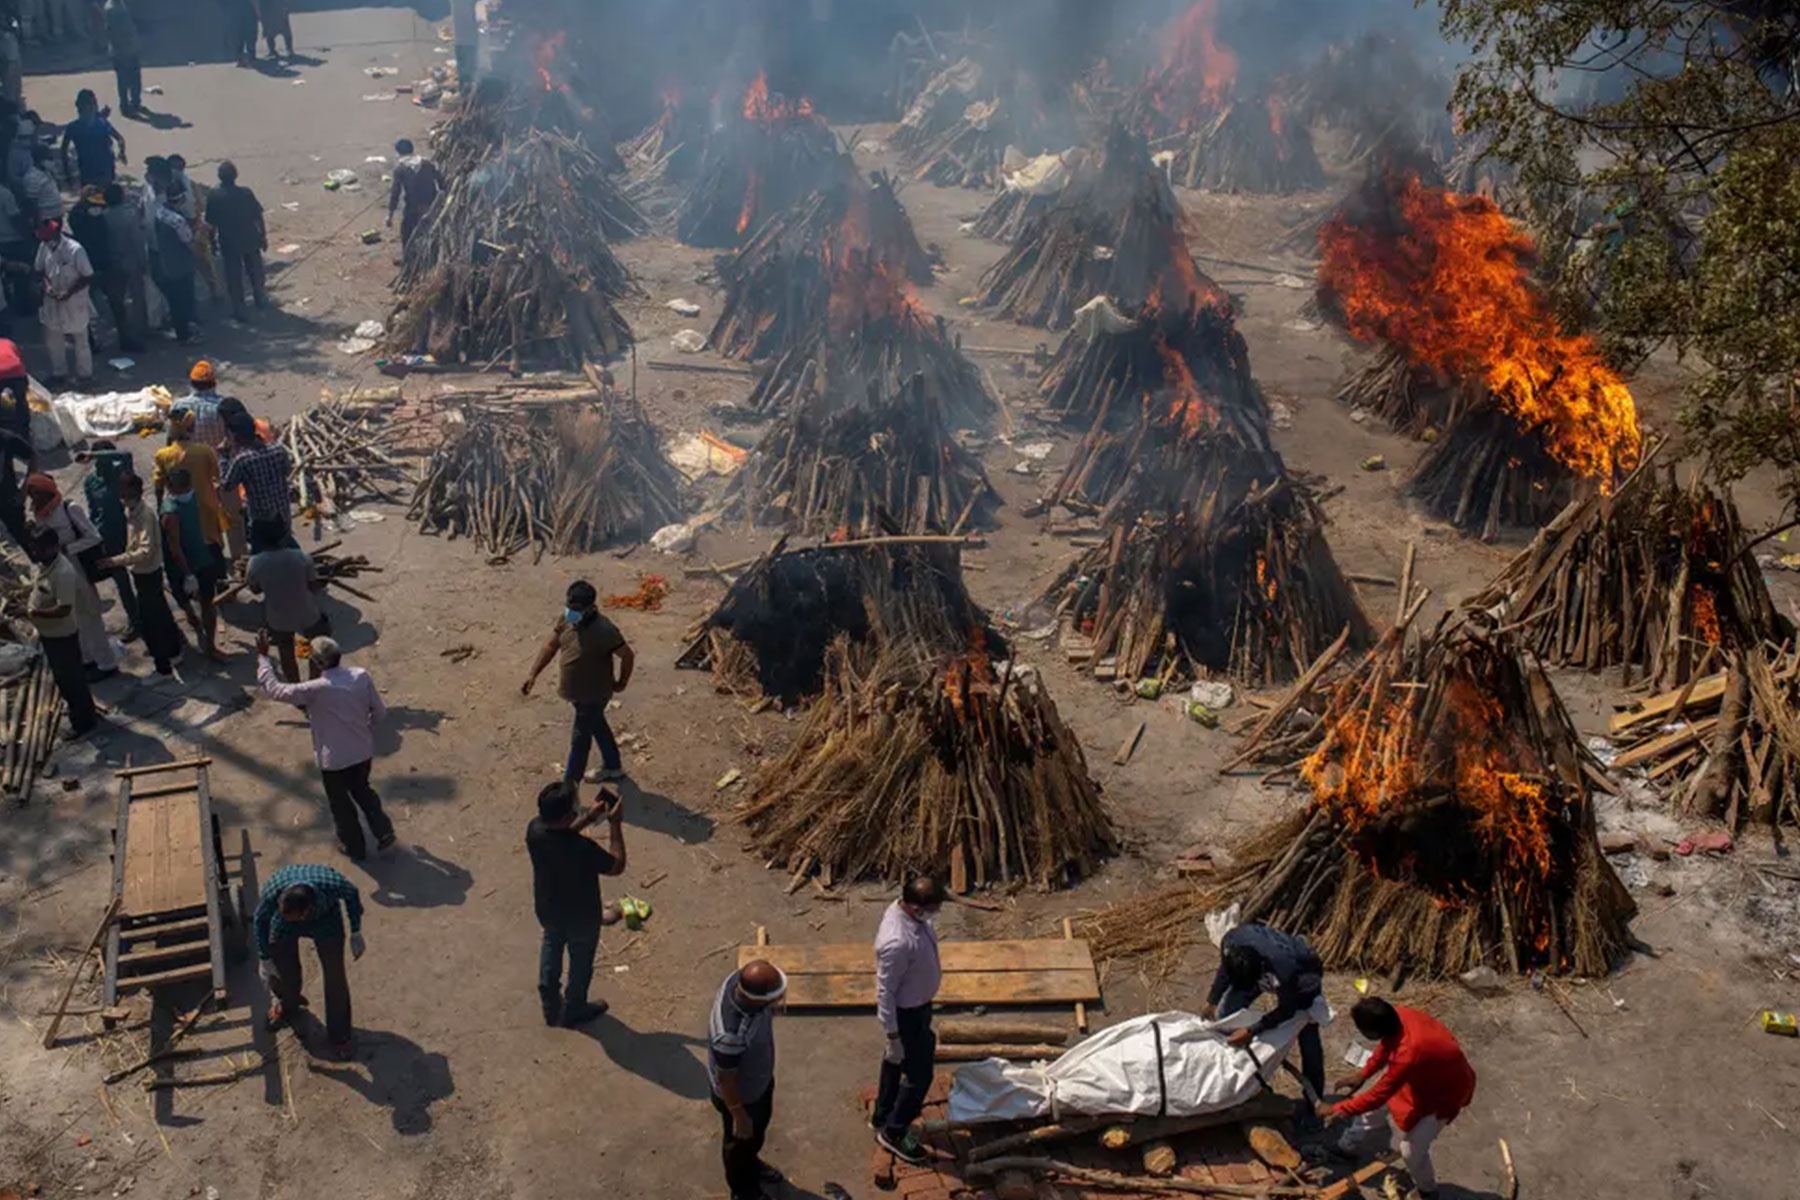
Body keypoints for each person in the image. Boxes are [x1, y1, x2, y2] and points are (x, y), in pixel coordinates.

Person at [255, 630, 396, 860]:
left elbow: (274, 689)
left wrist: (263, 658)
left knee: (342, 807)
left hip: (334, 762)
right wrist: (362, 730)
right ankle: (384, 830)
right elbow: (379, 712)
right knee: (363, 791)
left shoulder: (315, 689)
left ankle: (355, 848)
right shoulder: (361, 676)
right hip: (362, 752)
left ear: (317, 662)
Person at [1322, 998, 1477, 1200]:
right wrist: (1363, 1074)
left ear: (1372, 1033)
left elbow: (1378, 1095)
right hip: (1420, 1076)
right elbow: (1386, 1047)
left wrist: (1336, 1109)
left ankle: (1427, 1191)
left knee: (1411, 1149)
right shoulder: (1399, 1015)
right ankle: (1347, 1147)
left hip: (1444, 1093)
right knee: (1371, 1111)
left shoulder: (1408, 1054)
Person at [527, 780, 627, 1028]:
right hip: (582, 915)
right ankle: (575, 1007)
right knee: (581, 961)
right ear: (566, 815)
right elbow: (616, 865)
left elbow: (561, 833)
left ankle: (550, 1003)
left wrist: (589, 818)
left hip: (548, 908)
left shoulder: (535, 830)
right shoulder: (581, 848)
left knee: (551, 944)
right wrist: (614, 824)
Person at [521, 580, 635, 785]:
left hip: (594, 694)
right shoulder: (566, 620)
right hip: (576, 693)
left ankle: (569, 787)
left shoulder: (604, 630)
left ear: (590, 607)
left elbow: (627, 656)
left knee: (580, 739)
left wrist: (621, 682)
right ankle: (613, 766)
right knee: (597, 725)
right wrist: (533, 674)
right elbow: (550, 645)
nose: (571, 612)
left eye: (576, 609)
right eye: (569, 607)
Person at [1202, 921, 1327, 1104]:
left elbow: (1288, 1009)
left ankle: (1313, 1101)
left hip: (1304, 981)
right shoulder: (1231, 942)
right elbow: (1225, 970)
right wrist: (1212, 1000)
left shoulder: (1287, 969)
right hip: (1260, 972)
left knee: (1308, 1037)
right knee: (1225, 1014)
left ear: (1261, 970)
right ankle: (1231, 1077)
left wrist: (1253, 1030)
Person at [253, 863, 365, 1058]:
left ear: (305, 911)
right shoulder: (274, 894)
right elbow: (260, 920)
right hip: (284, 928)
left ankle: (340, 1036)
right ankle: (287, 1005)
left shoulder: (332, 885)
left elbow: (352, 894)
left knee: (334, 976)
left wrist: (356, 930)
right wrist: (264, 957)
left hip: (326, 921)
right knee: (281, 969)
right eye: (281, 910)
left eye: (291, 915)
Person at [871, 875, 944, 1164]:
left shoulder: (908, 916)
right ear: (915, 908)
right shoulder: (896, 942)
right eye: (934, 908)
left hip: (918, 1008)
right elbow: (884, 992)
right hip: (907, 1015)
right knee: (919, 1075)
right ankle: (895, 1131)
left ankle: (882, 1113)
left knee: (894, 1061)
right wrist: (893, 1035)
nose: (936, 913)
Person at [25, 472, 119, 678]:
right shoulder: (39, 513)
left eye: (36, 494)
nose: (33, 499)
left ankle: (106, 663)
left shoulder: (69, 509)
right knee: (74, 617)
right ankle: (87, 659)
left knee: (90, 616)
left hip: (77, 567)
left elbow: (93, 537)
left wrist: (68, 549)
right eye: (31, 495)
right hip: (57, 569)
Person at [708, 959, 787, 1200]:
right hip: (742, 1098)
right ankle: (744, 1192)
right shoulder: (730, 1034)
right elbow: (726, 1079)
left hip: (757, 1082)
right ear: (758, 1000)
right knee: (739, 1144)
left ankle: (751, 1163)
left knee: (753, 1139)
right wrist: (739, 1116)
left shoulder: (737, 980)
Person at [99, 471, 183, 674]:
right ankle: (175, 651)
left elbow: (145, 551)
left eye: (127, 493)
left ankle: (163, 667)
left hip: (148, 573)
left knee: (149, 624)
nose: (124, 498)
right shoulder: (132, 511)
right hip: (143, 573)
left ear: (137, 492)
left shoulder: (144, 515)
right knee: (162, 615)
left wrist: (115, 561)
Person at [26, 526, 98, 737]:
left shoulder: (63, 572)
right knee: (65, 678)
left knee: (71, 679)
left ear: (53, 547)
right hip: (50, 635)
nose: (35, 553)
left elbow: (63, 609)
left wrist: (32, 612)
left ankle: (83, 722)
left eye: (39, 549)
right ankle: (83, 711)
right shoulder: (45, 565)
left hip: (62, 636)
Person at [245, 517, 321, 682]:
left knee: (286, 652)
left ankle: (296, 691)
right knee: (318, 646)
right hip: (307, 612)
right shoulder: (302, 557)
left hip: (278, 616)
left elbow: (255, 590)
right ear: (284, 535)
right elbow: (313, 586)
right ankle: (314, 685)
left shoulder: (255, 563)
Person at [77, 440, 139, 639]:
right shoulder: (90, 482)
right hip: (107, 538)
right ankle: (135, 621)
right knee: (122, 583)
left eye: (104, 458)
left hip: (129, 532)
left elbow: (126, 454)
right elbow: (94, 510)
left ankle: (149, 615)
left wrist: (96, 454)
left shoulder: (121, 474)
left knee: (142, 577)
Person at [159, 465, 223, 657]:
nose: (185, 492)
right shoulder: (170, 513)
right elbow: (175, 547)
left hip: (203, 558)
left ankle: (210, 646)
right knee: (184, 599)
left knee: (208, 602)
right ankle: (191, 617)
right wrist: (187, 573)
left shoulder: (196, 498)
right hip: (182, 564)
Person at [35, 218, 95, 385]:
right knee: (53, 341)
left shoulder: (76, 250)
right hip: (52, 302)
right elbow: (40, 271)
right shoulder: (44, 248)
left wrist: (68, 293)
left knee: (81, 341)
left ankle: (85, 376)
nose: (46, 242)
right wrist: (47, 287)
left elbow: (87, 276)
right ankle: (59, 373)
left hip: (74, 302)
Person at [205, 161, 267, 321]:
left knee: (233, 276)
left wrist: (212, 243)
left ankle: (239, 308)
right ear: (236, 176)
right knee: (254, 269)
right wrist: (263, 236)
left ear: (219, 177)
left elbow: (210, 224)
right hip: (250, 238)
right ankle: (260, 297)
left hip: (229, 242)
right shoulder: (246, 193)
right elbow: (258, 216)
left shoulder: (214, 196)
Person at [148, 163, 197, 341]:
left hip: (165, 263)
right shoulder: (177, 220)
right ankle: (186, 334)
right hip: (182, 266)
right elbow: (189, 242)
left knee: (175, 301)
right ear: (180, 199)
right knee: (184, 300)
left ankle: (181, 331)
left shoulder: (160, 213)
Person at [221, 408, 290, 530]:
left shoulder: (242, 460)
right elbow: (287, 471)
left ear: (236, 436)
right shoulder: (279, 450)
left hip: (261, 522)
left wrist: (224, 457)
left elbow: (227, 485)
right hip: (284, 516)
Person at [99, 182, 146, 350]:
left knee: (118, 299)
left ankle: (124, 331)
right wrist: (143, 260)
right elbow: (137, 241)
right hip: (131, 260)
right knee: (137, 298)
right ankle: (140, 332)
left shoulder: (103, 216)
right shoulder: (129, 216)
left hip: (113, 261)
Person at [59, 89, 125, 188]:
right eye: (93, 103)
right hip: (102, 171)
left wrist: (67, 174)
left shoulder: (73, 127)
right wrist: (122, 152)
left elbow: (63, 151)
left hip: (90, 172)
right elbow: (120, 139)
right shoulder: (102, 124)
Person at [386, 138, 441, 249]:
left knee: (406, 231)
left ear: (399, 152)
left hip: (412, 207)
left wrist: (390, 215)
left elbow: (395, 194)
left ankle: (408, 258)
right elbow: (441, 182)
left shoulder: (400, 169)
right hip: (430, 204)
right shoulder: (427, 163)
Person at [102, 0, 140, 115]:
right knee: (128, 78)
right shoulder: (113, 9)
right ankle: (128, 104)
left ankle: (132, 102)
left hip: (125, 48)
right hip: (122, 49)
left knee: (128, 78)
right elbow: (113, 31)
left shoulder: (116, 5)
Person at [0, 417, 32, 546]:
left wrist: (25, 488)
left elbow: (32, 455)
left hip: (9, 500)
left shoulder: (5, 438)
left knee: (23, 538)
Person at [0, 334, 30, 439]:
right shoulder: (9, 342)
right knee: (21, 401)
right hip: (16, 371)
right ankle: (24, 431)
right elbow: (21, 361)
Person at [20, 147, 60, 224]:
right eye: (49, 158)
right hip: (46, 219)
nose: (52, 161)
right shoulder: (33, 177)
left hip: (56, 215)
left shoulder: (47, 172)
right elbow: (32, 202)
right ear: (40, 159)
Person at [223, 0, 256, 67]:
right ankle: (246, 58)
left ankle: (245, 58)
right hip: (242, 9)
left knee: (243, 34)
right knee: (245, 34)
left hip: (241, 9)